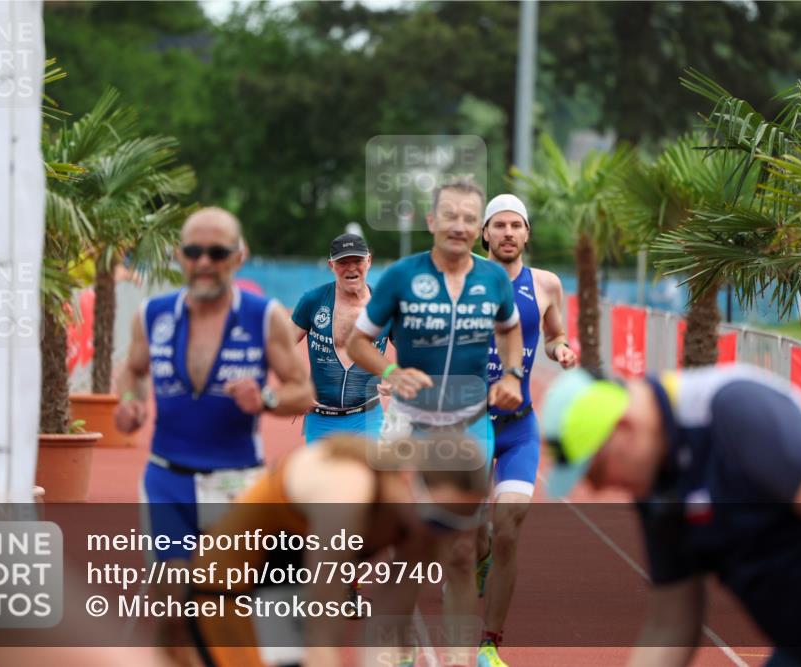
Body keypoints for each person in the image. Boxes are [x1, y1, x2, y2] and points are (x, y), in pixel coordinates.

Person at [541, 364, 801, 667]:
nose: (600, 488)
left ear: (625, 428)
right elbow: (670, 625)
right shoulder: (656, 485)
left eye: (597, 471)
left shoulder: (734, 409)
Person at [347, 178, 525, 665]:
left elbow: (511, 332)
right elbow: (357, 343)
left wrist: (510, 373)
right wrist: (390, 370)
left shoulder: (493, 281)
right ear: (432, 221)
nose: (461, 226)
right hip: (408, 422)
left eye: (471, 218)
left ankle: (460, 660)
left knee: (463, 551)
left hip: (468, 424)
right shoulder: (402, 277)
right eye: (451, 216)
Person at [176, 432, 490, 667]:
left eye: (451, 525)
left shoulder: (421, 519)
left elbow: (385, 624)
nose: (439, 534)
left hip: (286, 585)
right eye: (436, 519)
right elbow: (323, 633)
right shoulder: (346, 490)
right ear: (410, 478)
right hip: (228, 586)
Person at [114, 207, 315, 567]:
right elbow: (132, 371)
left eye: (218, 253)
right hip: (166, 478)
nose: (204, 262)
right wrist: (130, 402)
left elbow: (302, 392)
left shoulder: (265, 316)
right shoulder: (152, 315)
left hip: (235, 479)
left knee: (232, 600)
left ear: (239, 257)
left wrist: (266, 398)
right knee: (171, 600)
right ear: (179, 256)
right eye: (193, 252)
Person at [475, 194, 578, 667]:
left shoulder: (547, 284)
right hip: (469, 426)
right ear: (485, 234)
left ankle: (490, 644)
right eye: (500, 226)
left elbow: (556, 333)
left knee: (509, 531)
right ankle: (478, 559)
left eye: (517, 225)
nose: (509, 233)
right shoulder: (462, 280)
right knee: (473, 534)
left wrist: (561, 350)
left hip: (520, 426)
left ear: (527, 233)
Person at [292, 233, 391, 443]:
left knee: (371, 475)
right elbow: (279, 347)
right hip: (321, 418)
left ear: (369, 261)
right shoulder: (314, 301)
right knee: (319, 477)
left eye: (357, 261)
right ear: (331, 265)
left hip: (368, 417)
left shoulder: (385, 306)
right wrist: (295, 381)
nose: (351, 268)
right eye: (343, 262)